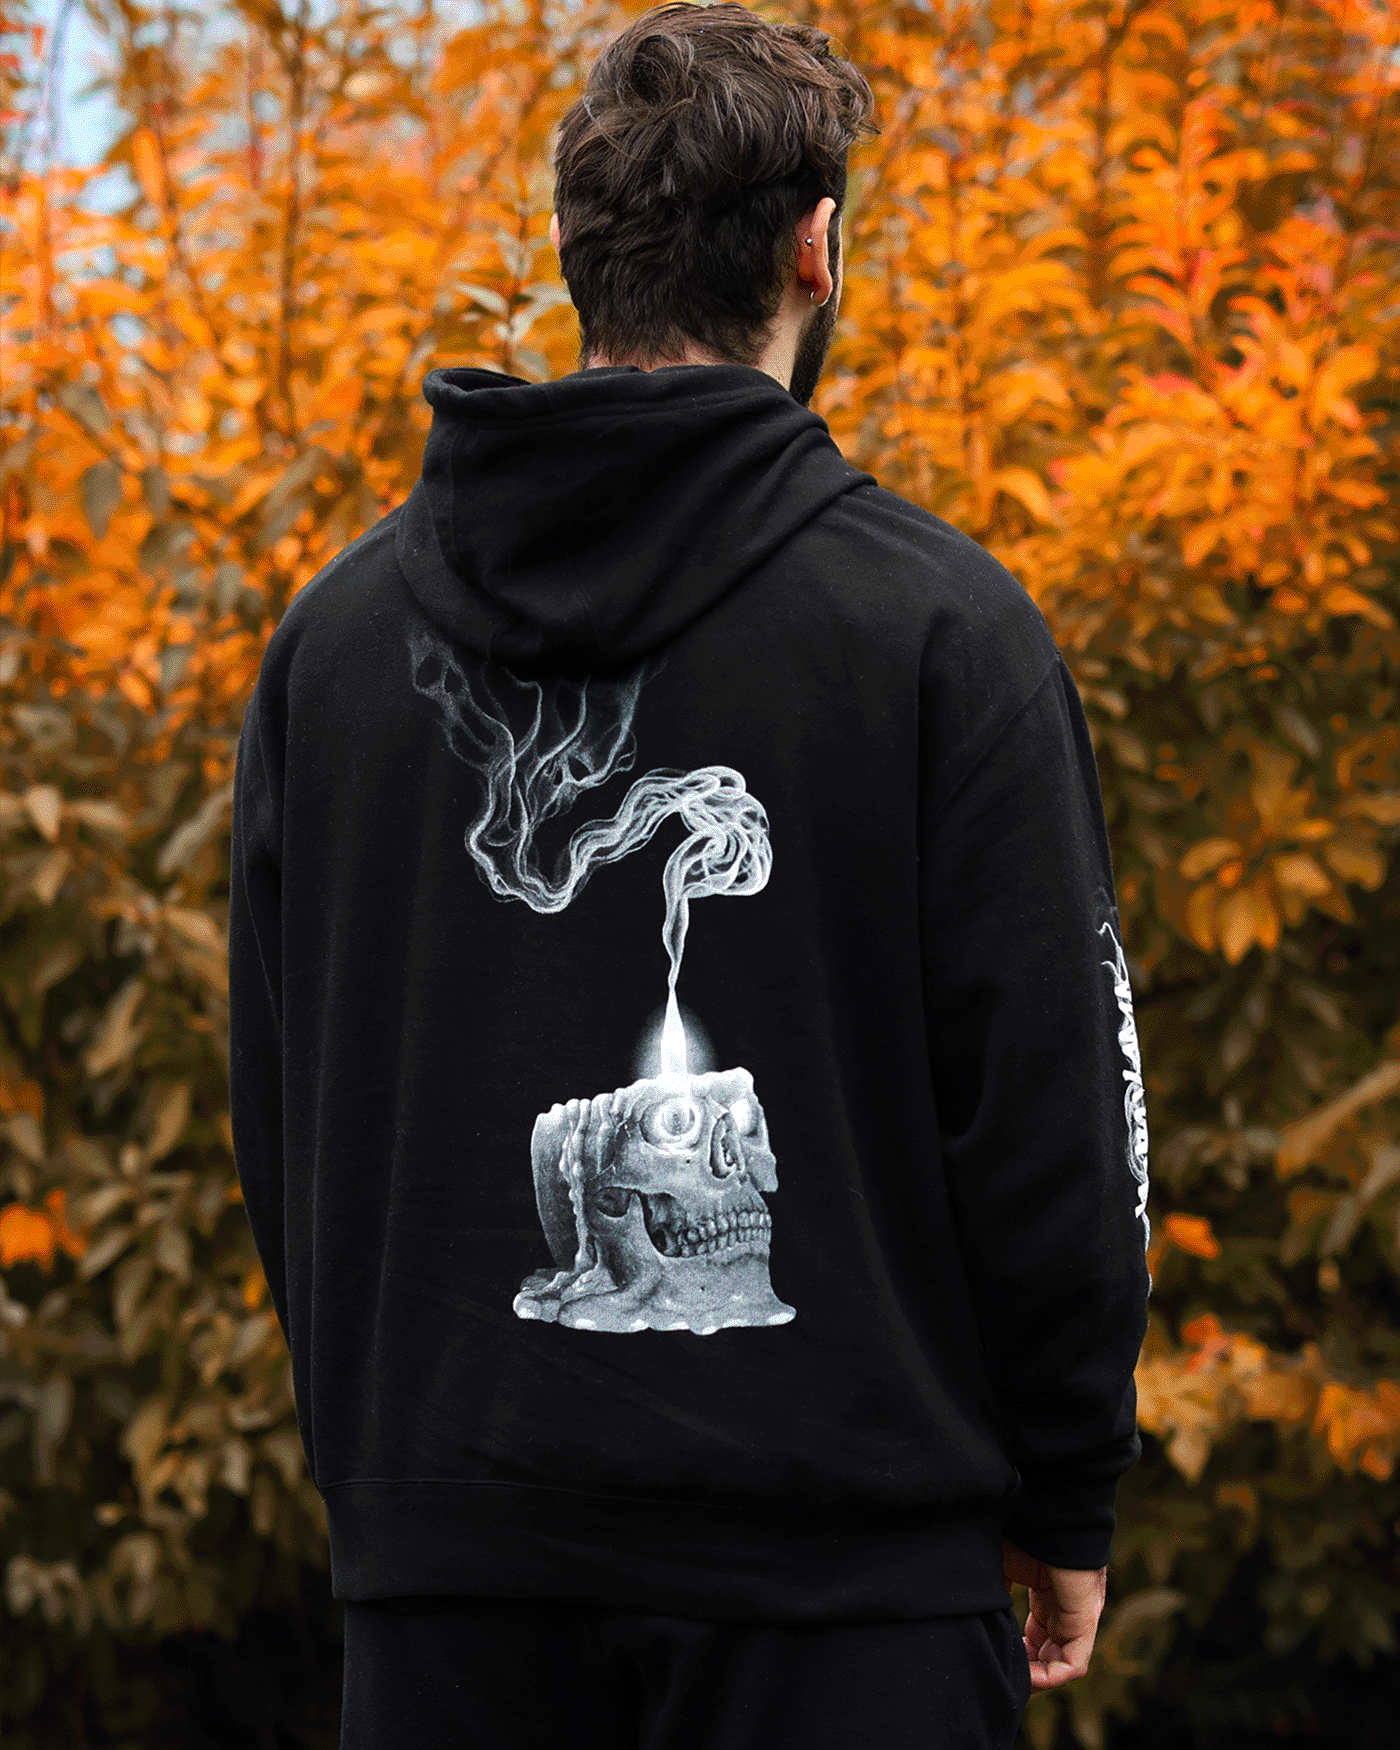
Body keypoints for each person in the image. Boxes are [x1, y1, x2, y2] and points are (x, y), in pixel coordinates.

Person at [227, 5, 1152, 1747]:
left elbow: (279, 1109)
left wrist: (402, 1472)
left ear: (580, 257)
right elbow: (1050, 1108)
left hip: (450, 1592)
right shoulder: (940, 630)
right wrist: (1069, 1483)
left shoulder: (333, 652)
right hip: (847, 1603)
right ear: (817, 248)